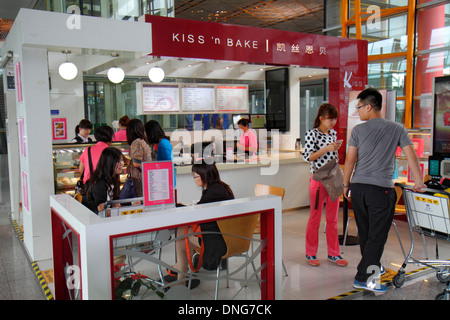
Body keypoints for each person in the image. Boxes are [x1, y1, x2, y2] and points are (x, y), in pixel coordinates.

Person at [343, 88, 426, 293]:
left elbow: (350, 160)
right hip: (381, 191)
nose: (358, 111)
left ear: (369, 107)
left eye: (359, 107)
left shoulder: (358, 131)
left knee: (366, 234)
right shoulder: (397, 128)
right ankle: (366, 278)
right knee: (377, 236)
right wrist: (418, 182)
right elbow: (411, 155)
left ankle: (373, 267)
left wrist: (346, 185)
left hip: (359, 189)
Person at [165, 160, 234, 288]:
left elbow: (197, 213)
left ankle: (179, 273)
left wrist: (177, 206)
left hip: (220, 241)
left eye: (196, 176)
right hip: (227, 235)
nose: (195, 179)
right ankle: (180, 273)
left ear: (205, 175)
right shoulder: (220, 187)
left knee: (181, 234)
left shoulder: (213, 192)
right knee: (182, 232)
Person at [302, 103, 348, 268]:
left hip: (333, 178)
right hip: (318, 179)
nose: (333, 122)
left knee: (333, 219)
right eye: (330, 119)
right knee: (314, 218)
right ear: (321, 118)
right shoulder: (312, 134)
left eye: (335, 118)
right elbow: (307, 157)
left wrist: (333, 148)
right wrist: (327, 148)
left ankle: (334, 253)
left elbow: (333, 156)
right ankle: (310, 253)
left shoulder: (333, 133)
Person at [81, 147, 124, 214]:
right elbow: (101, 210)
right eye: (118, 161)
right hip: (93, 220)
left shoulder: (113, 179)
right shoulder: (99, 182)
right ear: (109, 163)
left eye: (122, 160)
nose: (121, 164)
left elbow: (115, 204)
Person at [144, 120, 175, 185]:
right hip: (159, 178)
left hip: (165, 181)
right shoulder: (156, 144)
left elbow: (168, 165)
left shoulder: (163, 144)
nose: (146, 136)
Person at [127, 118, 152, 197]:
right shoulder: (143, 142)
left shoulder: (136, 142)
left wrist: (123, 159)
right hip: (146, 178)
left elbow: (136, 164)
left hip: (139, 179)